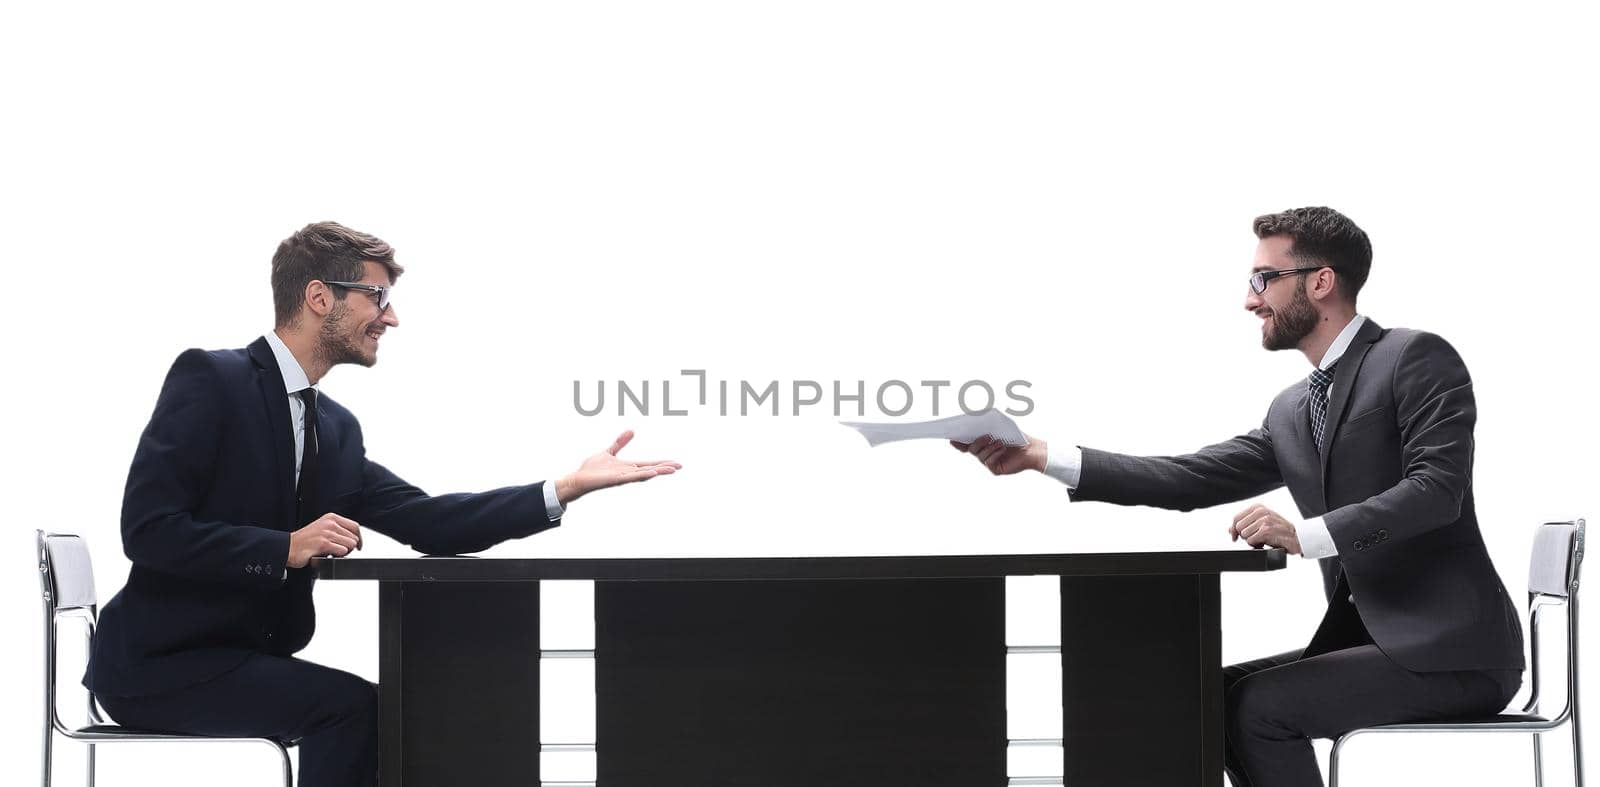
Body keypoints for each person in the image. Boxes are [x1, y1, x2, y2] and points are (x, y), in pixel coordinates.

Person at [84, 221, 680, 787]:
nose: (390, 317)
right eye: (376, 297)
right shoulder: (212, 380)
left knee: (390, 710)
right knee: (352, 711)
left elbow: (432, 523)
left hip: (236, 656)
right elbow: (148, 530)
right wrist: (283, 548)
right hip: (158, 664)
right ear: (320, 297)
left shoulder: (334, 429)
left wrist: (564, 487)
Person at [952, 207, 1524, 787]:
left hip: (1457, 654)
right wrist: (1040, 454)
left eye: (1262, 280)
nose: (1250, 301)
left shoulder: (1413, 357)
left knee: (1260, 708)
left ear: (1319, 281)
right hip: (1384, 647)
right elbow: (1188, 478)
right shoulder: (1293, 409)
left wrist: (1305, 536)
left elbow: (1436, 491)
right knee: (1209, 699)